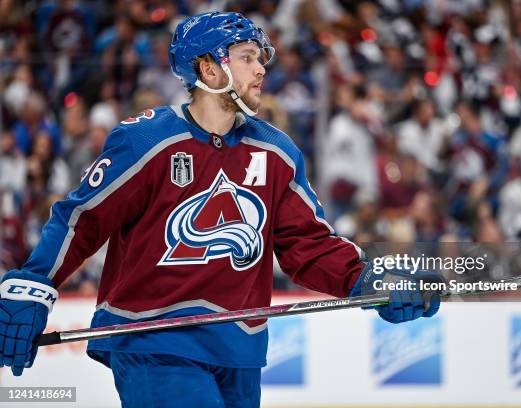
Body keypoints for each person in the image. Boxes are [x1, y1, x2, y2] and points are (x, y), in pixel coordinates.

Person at [0, 12, 440, 407]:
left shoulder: (276, 151)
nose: (261, 67)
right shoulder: (147, 140)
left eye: (259, 57)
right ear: (208, 68)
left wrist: (366, 278)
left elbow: (307, 243)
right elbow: (82, 219)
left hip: (239, 349)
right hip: (156, 342)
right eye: (247, 56)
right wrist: (32, 283)